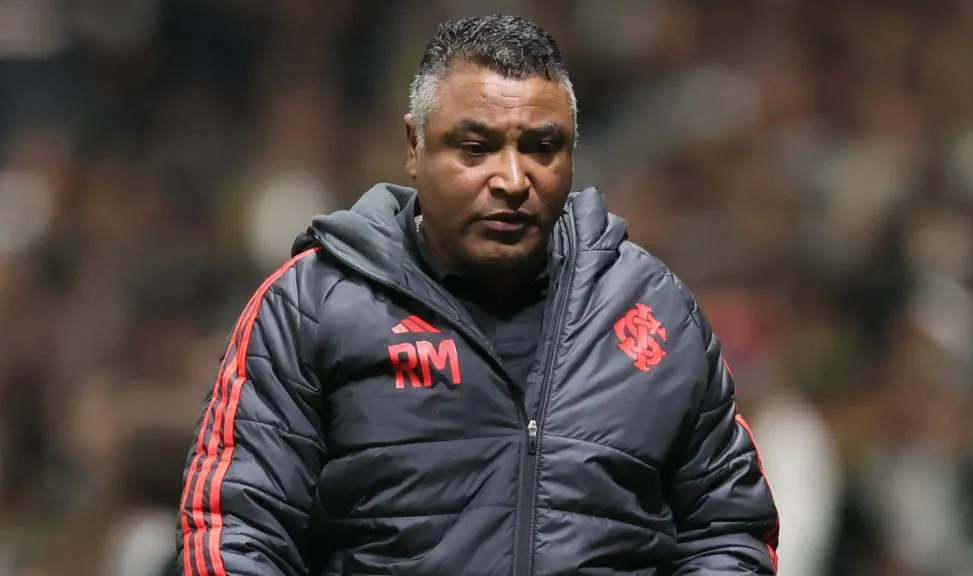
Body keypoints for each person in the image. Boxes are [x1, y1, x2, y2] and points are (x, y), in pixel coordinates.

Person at [177, 14, 779, 576]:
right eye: (475, 148)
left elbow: (729, 529)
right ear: (414, 147)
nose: (514, 181)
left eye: (542, 148)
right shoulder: (314, 304)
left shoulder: (652, 309)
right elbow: (233, 530)